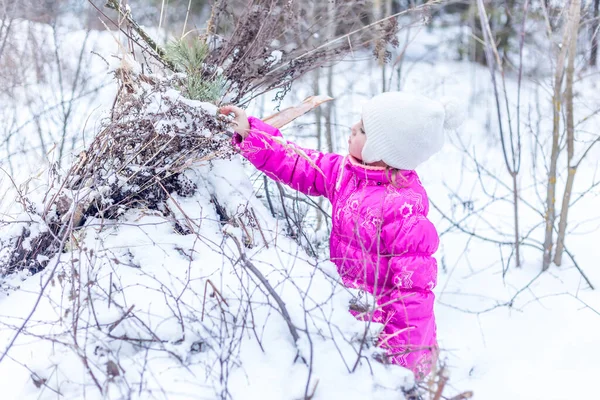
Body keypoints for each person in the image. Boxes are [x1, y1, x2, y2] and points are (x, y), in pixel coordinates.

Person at [219, 92, 464, 380]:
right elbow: (299, 163)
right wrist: (251, 133)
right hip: (349, 321)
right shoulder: (347, 173)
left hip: (385, 338)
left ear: (383, 150)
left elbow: (413, 297)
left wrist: (401, 365)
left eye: (362, 129)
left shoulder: (404, 212)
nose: (352, 129)